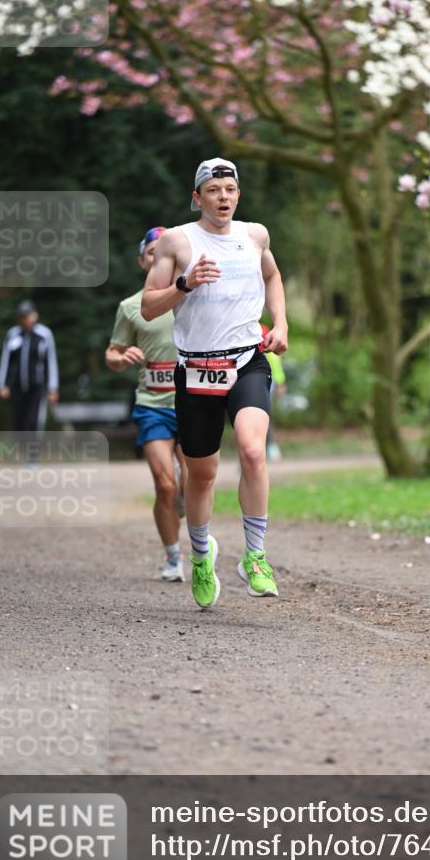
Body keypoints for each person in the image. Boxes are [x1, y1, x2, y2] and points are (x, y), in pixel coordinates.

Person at [141, 158, 288, 609]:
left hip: (247, 361)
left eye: (229, 189)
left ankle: (256, 557)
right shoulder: (177, 242)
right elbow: (148, 306)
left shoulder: (255, 235)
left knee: (251, 449)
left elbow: (272, 275)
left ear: (238, 195)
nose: (223, 197)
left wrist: (280, 323)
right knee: (201, 476)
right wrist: (184, 284)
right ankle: (202, 555)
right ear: (197, 197)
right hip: (196, 370)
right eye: (213, 190)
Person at [105, 227, 187, 582]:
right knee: (165, 484)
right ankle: (173, 558)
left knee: (194, 482)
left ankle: (188, 514)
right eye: (152, 251)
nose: (159, 255)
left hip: (194, 399)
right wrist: (121, 359)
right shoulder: (131, 307)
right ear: (143, 261)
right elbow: (112, 352)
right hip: (152, 403)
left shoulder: (193, 296)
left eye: (164, 249)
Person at [0, 301, 59, 433]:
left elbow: (51, 362)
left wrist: (52, 388)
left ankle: (32, 453)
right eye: (22, 316)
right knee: (18, 421)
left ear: (35, 315)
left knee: (34, 421)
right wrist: (2, 384)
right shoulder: (13, 334)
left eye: (27, 315)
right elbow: (6, 360)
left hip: (36, 387)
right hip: (17, 386)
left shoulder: (44, 335)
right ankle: (20, 451)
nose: (25, 319)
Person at [259, 323, 287, 462]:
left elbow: (274, 360)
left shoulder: (262, 331)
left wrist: (280, 382)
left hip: (266, 382)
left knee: (264, 416)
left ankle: (270, 447)